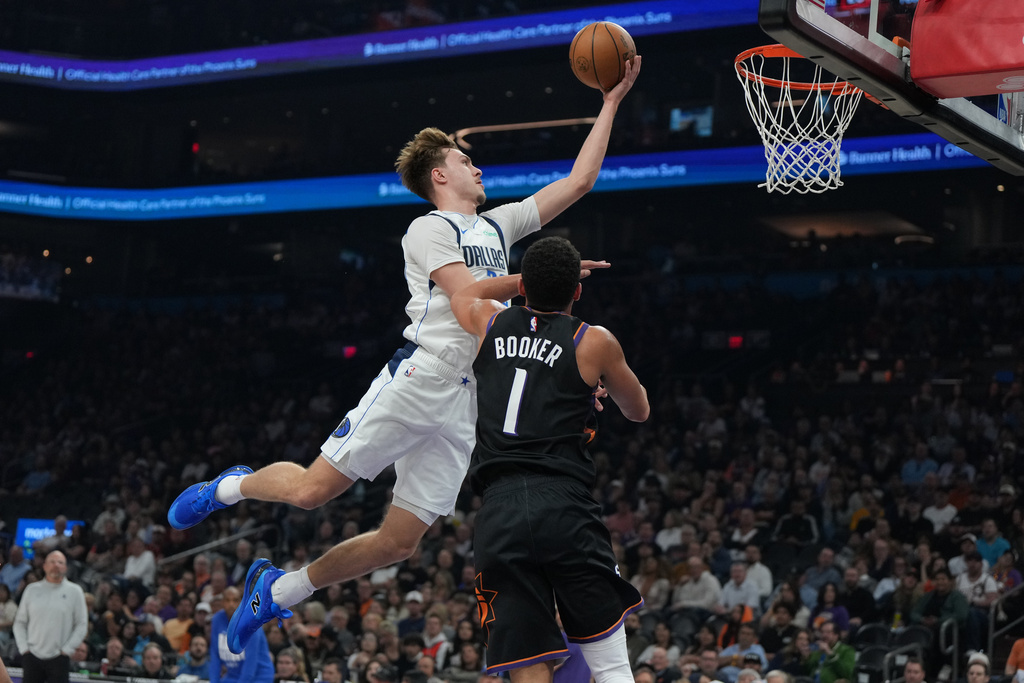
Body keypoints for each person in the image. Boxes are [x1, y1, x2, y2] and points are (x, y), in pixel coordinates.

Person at [169, 55, 642, 656]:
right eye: (465, 161)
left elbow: (578, 183)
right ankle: (230, 488)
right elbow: (467, 294)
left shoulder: (497, 227)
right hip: (422, 377)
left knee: (399, 543)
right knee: (313, 491)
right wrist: (542, 279)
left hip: (473, 402)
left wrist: (610, 103)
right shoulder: (429, 228)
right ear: (439, 175)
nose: (478, 167)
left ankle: (278, 590)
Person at [449, 235, 650, 683]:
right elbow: (639, 411)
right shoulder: (593, 341)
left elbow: (464, 293)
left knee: (528, 659)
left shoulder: (489, 321)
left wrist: (525, 279)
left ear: (522, 287)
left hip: (499, 509)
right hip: (563, 504)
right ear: (577, 290)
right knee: (610, 664)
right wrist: (589, 386)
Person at [13, 550, 88, 683]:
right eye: (52, 562)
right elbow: (19, 622)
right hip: (32, 656)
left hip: (59, 657)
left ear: (65, 568)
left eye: (60, 562)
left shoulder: (75, 591)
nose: (56, 565)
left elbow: (82, 624)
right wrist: (24, 648)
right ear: (45, 566)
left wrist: (67, 650)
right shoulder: (31, 590)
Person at [209, 586, 274, 683]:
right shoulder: (217, 619)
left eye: (235, 600)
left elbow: (251, 662)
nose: (231, 604)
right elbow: (214, 655)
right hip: (233, 676)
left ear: (242, 601)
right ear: (222, 602)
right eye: (227, 600)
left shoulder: (251, 621)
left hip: (259, 676)